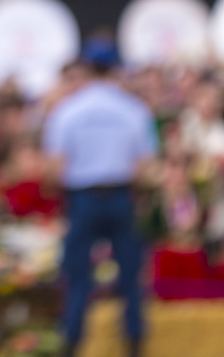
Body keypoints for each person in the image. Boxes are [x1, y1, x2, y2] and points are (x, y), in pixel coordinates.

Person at [43, 38, 157, 357]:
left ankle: (72, 343)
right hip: (121, 196)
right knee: (131, 278)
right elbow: (145, 165)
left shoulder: (68, 110)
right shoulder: (133, 109)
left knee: (78, 278)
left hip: (82, 199)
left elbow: (54, 166)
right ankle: (134, 344)